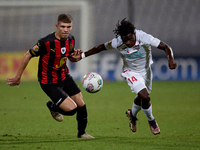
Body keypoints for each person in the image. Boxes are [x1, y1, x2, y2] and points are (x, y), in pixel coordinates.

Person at [71, 18, 177, 135]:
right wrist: (82, 56)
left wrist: (171, 59)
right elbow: (100, 47)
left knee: (142, 97)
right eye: (124, 40)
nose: (127, 43)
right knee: (145, 96)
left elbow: (166, 47)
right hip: (130, 72)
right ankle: (151, 120)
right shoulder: (117, 42)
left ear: (134, 34)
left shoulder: (143, 37)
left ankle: (132, 114)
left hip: (146, 72)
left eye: (129, 39)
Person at [6, 14, 94, 139]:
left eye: (68, 27)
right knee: (72, 109)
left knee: (81, 104)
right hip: (49, 81)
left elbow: (69, 58)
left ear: (71, 27)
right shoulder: (46, 42)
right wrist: (18, 76)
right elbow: (27, 55)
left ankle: (82, 133)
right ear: (57, 26)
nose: (65, 29)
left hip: (64, 76)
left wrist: (75, 57)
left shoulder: (71, 39)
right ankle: (53, 106)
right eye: (63, 26)